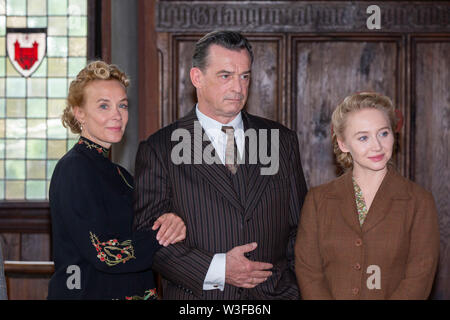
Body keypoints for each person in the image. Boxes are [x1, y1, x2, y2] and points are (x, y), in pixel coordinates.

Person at [133, 30, 308, 299]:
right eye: (225, 76)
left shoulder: (280, 141)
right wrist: (218, 269)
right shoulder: (159, 149)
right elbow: (150, 239)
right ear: (197, 77)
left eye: (244, 76)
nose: (238, 88)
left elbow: (301, 231)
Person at [48, 61, 186, 300]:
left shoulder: (122, 176)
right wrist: (161, 235)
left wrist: (170, 220)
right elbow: (107, 254)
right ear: (79, 112)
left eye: (122, 105)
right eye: (104, 106)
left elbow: (148, 224)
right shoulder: (73, 169)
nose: (117, 115)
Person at [294, 92, 440, 299]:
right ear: (343, 144)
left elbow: (419, 278)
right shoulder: (318, 200)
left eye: (383, 133)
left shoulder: (419, 201)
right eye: (363, 137)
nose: (377, 146)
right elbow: (309, 271)